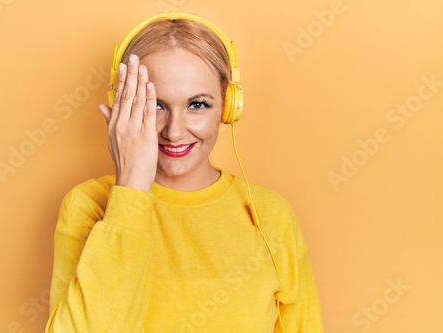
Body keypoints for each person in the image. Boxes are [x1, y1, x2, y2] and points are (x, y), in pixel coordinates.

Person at [45, 12, 324, 333]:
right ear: (123, 106)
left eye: (197, 104)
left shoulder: (273, 216)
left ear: (228, 105)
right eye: (156, 105)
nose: (174, 132)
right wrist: (131, 190)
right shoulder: (88, 205)